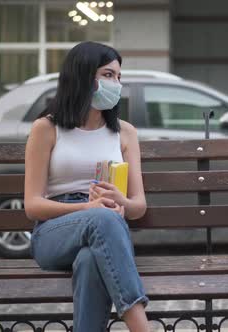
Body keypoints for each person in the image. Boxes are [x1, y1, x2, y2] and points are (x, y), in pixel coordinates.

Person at [24, 41, 150, 332]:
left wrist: (121, 200)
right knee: (102, 218)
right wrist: (89, 208)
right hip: (54, 232)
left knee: (91, 259)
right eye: (108, 75)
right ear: (83, 76)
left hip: (109, 230)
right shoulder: (46, 128)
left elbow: (138, 206)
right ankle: (142, 327)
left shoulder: (126, 133)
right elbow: (32, 204)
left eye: (119, 77)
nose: (116, 83)